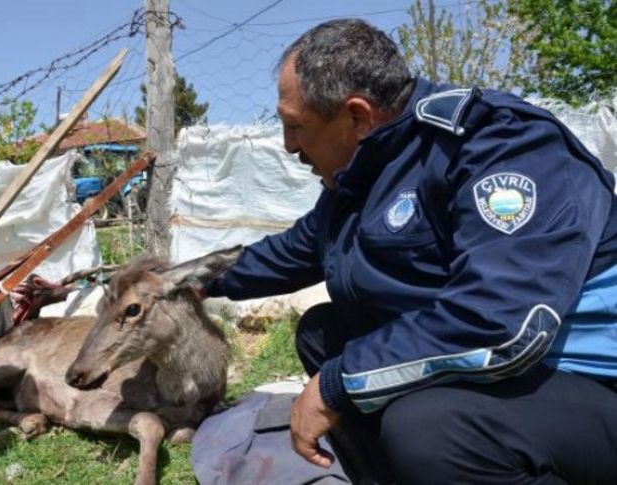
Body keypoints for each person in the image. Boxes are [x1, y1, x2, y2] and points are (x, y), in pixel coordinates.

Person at [204, 19, 617, 483]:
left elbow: (502, 325)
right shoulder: (364, 175)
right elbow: (287, 253)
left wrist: (340, 384)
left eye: (296, 126)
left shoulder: (497, 144)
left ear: (357, 116)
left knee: (430, 431)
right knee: (326, 333)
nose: (289, 146)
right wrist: (181, 279)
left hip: (588, 381)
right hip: (516, 380)